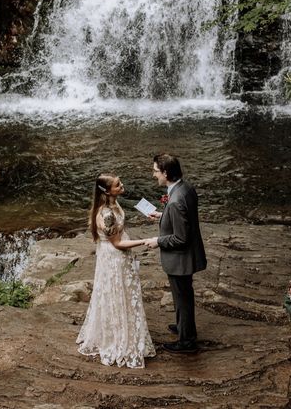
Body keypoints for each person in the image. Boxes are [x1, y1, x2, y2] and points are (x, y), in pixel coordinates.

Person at [76, 173, 156, 368]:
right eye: (118, 185)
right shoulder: (107, 214)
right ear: (107, 191)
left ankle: (120, 331)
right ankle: (118, 339)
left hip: (113, 254)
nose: (122, 185)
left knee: (119, 294)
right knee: (116, 294)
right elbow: (118, 243)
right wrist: (145, 241)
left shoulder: (114, 204)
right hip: (114, 258)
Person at [143, 153, 207, 354]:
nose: (154, 175)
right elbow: (184, 217)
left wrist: (157, 241)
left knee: (182, 298)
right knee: (184, 297)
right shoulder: (185, 188)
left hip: (181, 260)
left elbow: (180, 238)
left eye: (155, 171)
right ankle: (183, 327)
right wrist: (164, 216)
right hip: (187, 257)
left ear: (166, 172)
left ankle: (187, 341)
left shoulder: (175, 200)